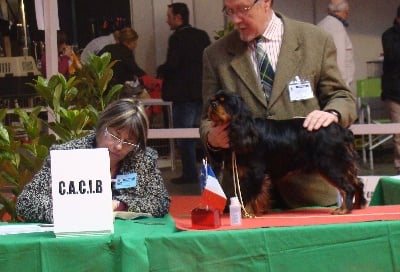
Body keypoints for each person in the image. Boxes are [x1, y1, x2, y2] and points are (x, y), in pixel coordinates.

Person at [200, 0, 357, 209]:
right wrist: (212, 138)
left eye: (243, 9)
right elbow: (205, 119)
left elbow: (341, 95)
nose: (235, 19)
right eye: (230, 11)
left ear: (265, 2)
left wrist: (333, 113)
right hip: (246, 197)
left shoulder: (316, 40)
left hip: (309, 196)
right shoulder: (215, 54)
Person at [16, 98, 171, 223]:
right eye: (115, 135)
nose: (118, 146)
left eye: (129, 142)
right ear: (101, 126)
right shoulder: (68, 155)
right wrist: (79, 211)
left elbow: (160, 201)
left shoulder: (142, 158)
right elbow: (27, 202)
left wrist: (120, 204)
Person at [157, 2, 211, 184]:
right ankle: (210, 171)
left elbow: (173, 64)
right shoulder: (202, 35)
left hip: (183, 95)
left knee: (184, 137)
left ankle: (189, 174)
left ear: (178, 17)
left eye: (169, 16)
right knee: (203, 135)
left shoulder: (177, 38)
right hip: (201, 92)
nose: (167, 20)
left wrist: (160, 70)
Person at [317, 0, 355, 93]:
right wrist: (343, 87)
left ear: (328, 10)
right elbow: (339, 58)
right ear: (346, 11)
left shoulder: (321, 24)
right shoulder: (336, 27)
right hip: (337, 86)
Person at [381, 6, 400, 173]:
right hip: (395, 92)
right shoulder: (389, 36)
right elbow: (393, 56)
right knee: (399, 134)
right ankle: (399, 167)